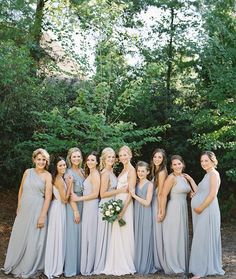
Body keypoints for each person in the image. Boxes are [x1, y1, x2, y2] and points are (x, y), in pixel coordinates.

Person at [3, 148, 52, 278]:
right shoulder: (27, 172)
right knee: (20, 235)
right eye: (39, 159)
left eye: (43, 160)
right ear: (34, 160)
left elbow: (48, 197)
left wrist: (42, 215)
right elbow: (21, 189)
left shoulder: (47, 175)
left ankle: (28, 266)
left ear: (46, 161)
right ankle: (15, 262)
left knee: (34, 239)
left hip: (38, 209)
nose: (41, 162)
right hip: (25, 208)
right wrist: (19, 205)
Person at [187, 151, 225, 279]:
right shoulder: (207, 174)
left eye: (206, 161)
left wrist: (200, 208)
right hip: (202, 211)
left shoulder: (214, 174)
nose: (203, 163)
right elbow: (201, 192)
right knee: (201, 237)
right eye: (202, 161)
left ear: (212, 161)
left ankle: (202, 270)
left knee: (204, 237)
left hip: (207, 210)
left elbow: (212, 194)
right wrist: (193, 191)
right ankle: (200, 266)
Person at [159, 155, 196, 275]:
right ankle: (173, 266)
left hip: (183, 209)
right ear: (171, 166)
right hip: (173, 208)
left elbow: (193, 193)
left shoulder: (184, 178)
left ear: (183, 164)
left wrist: (190, 180)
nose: (177, 166)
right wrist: (162, 211)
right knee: (174, 236)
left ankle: (181, 265)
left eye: (179, 164)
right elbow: (163, 195)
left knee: (181, 236)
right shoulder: (171, 178)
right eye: (174, 164)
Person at [93, 147, 128, 274]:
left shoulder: (111, 171)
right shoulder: (105, 173)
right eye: (109, 157)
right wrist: (120, 191)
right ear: (103, 158)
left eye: (113, 157)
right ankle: (101, 264)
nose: (111, 159)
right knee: (104, 235)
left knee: (110, 235)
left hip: (111, 205)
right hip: (106, 206)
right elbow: (102, 193)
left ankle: (109, 262)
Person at [103, 145, 136, 275]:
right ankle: (117, 260)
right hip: (118, 201)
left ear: (130, 155)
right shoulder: (122, 170)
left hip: (125, 205)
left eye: (125, 155)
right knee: (118, 232)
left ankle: (126, 262)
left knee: (125, 231)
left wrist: (122, 211)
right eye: (121, 155)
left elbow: (130, 194)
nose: (122, 157)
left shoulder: (132, 171)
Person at [71, 151, 100, 275]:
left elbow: (95, 194)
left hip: (92, 206)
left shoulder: (95, 174)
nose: (89, 162)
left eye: (92, 160)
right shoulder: (88, 173)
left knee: (91, 235)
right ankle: (86, 263)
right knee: (87, 234)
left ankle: (89, 265)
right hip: (86, 206)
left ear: (97, 162)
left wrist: (79, 199)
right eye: (88, 159)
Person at [44, 157, 73, 278]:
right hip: (58, 208)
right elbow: (65, 200)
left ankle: (57, 263)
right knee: (57, 236)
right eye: (60, 165)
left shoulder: (60, 178)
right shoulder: (58, 179)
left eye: (64, 165)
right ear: (56, 167)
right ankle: (54, 266)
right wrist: (70, 185)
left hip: (58, 207)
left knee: (57, 236)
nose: (63, 167)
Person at [130, 161, 155, 274]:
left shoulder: (150, 184)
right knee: (137, 236)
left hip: (145, 212)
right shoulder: (135, 183)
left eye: (143, 171)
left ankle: (144, 266)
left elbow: (147, 202)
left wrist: (134, 195)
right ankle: (136, 264)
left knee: (145, 237)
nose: (140, 173)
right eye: (138, 171)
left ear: (148, 172)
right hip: (136, 211)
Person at [64, 147, 84, 277]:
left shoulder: (83, 171)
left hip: (83, 204)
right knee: (72, 235)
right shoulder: (68, 173)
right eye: (74, 157)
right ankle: (71, 267)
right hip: (74, 206)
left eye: (78, 156)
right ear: (70, 158)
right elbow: (70, 194)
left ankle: (80, 266)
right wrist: (76, 211)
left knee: (81, 236)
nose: (76, 159)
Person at [150, 148, 168, 272]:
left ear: (163, 159)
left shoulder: (162, 172)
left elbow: (161, 193)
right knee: (155, 232)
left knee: (158, 232)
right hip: (153, 203)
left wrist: (161, 210)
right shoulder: (154, 171)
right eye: (155, 156)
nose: (157, 159)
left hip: (158, 203)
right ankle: (156, 260)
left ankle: (161, 262)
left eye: (160, 157)